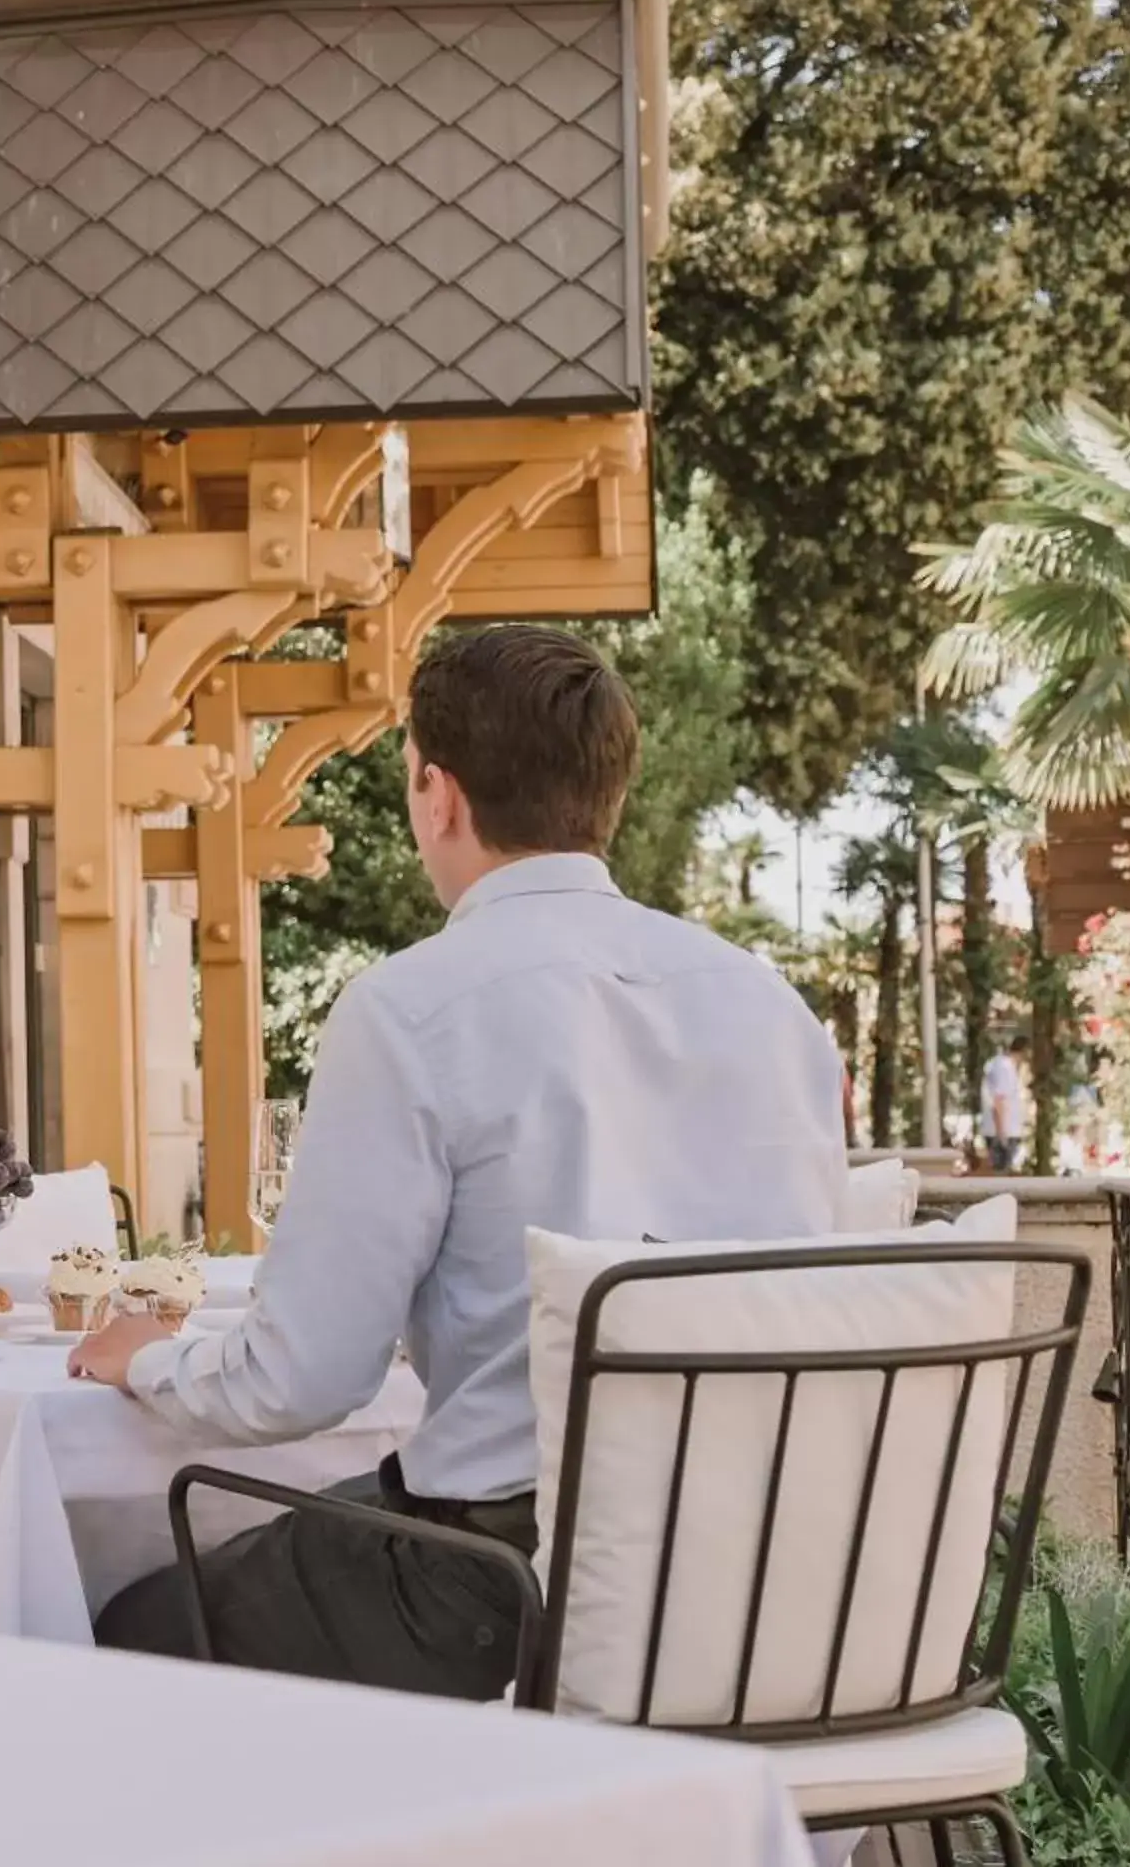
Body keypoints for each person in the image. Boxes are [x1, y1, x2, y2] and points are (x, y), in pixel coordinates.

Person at [69, 626, 848, 1697]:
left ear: (437, 795)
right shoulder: (772, 1007)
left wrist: (150, 1358)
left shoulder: (412, 1012)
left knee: (125, 1624)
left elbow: (302, 1381)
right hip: (766, 1566)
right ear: (606, 796)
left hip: (505, 1586)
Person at [981, 1032, 1030, 1175]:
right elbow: (999, 1099)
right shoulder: (1004, 1067)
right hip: (1003, 1131)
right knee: (1000, 1174)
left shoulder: (1006, 1067)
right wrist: (1001, 1133)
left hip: (1006, 1130)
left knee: (1004, 1172)